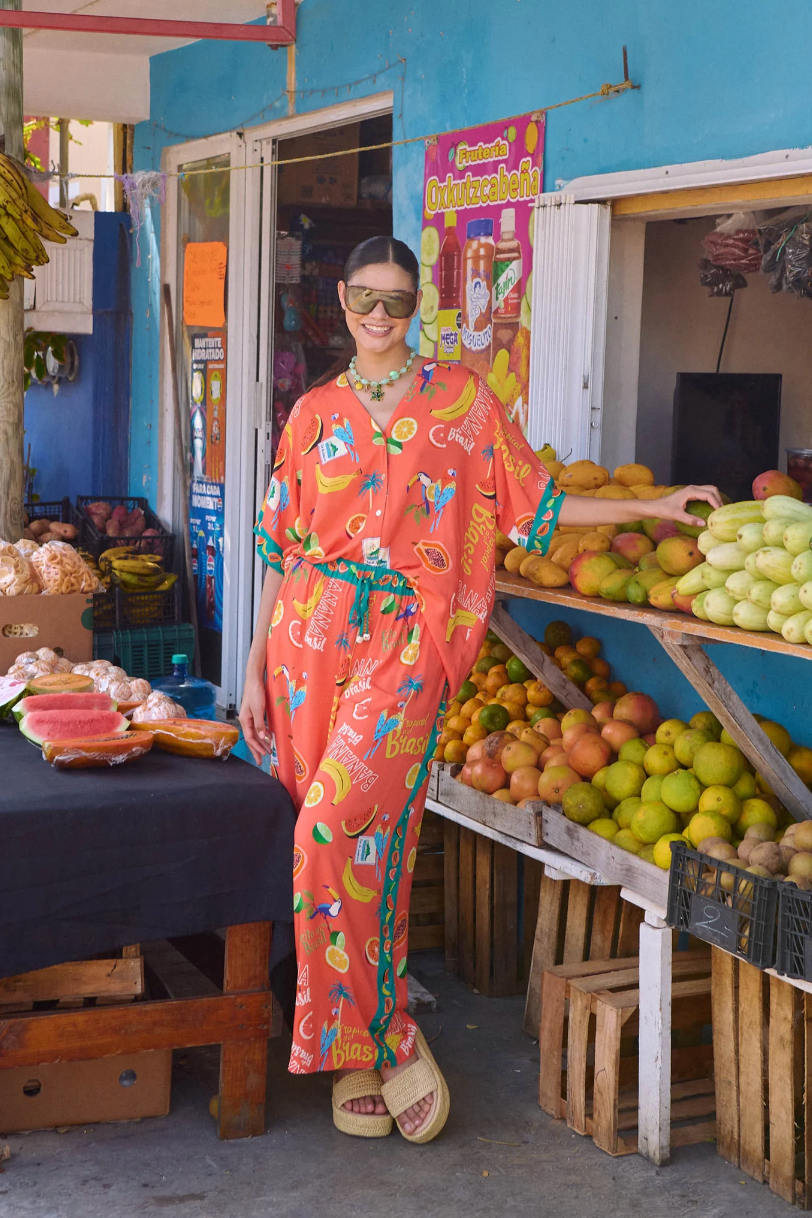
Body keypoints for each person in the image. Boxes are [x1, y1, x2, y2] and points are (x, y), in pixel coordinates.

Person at [239, 235, 721, 1145]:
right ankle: (358, 1048)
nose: (378, 318)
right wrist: (257, 662)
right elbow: (278, 545)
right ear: (339, 304)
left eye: (396, 302)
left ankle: (385, 1030)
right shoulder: (311, 413)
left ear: (416, 307)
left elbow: (533, 502)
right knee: (357, 844)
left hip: (408, 643)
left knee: (329, 827)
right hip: (309, 638)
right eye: (363, 301)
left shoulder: (462, 399)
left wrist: (649, 509)